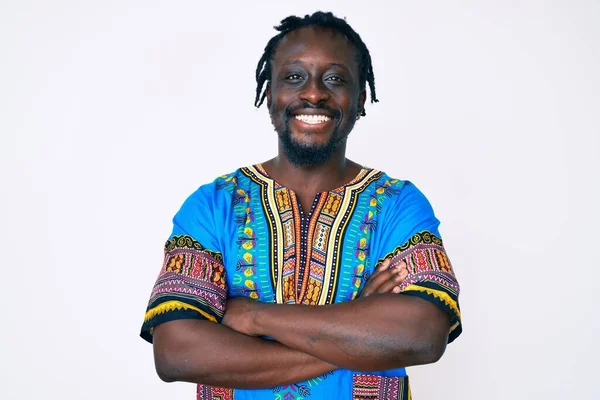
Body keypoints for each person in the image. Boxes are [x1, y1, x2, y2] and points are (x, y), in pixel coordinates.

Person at [140, 11, 462, 400]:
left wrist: (254, 315)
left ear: (360, 98)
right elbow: (177, 353)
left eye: (335, 79)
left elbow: (422, 336)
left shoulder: (397, 204)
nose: (313, 93)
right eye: (294, 77)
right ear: (269, 94)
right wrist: (356, 335)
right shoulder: (215, 203)